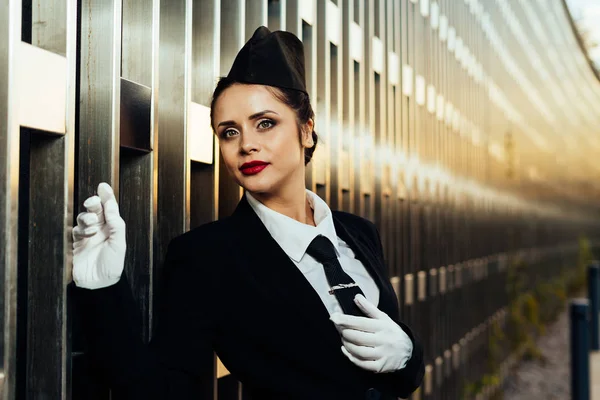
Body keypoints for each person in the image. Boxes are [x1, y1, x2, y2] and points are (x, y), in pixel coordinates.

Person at [72, 26, 424, 400]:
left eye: (265, 123)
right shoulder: (205, 257)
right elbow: (163, 389)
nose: (247, 145)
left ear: (306, 130)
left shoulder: (359, 232)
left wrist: (407, 353)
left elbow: (399, 378)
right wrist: (103, 291)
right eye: (229, 132)